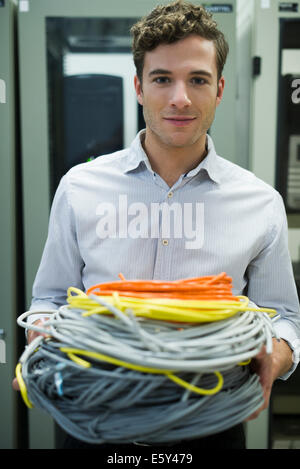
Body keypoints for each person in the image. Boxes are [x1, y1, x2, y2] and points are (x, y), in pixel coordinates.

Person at [13, 0, 300, 450]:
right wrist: (42, 352)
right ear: (139, 87)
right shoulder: (80, 187)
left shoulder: (260, 203)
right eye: (162, 79)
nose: (180, 98)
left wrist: (276, 354)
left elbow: (284, 316)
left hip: (210, 421)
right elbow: (49, 299)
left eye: (198, 80)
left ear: (220, 88)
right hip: (97, 417)